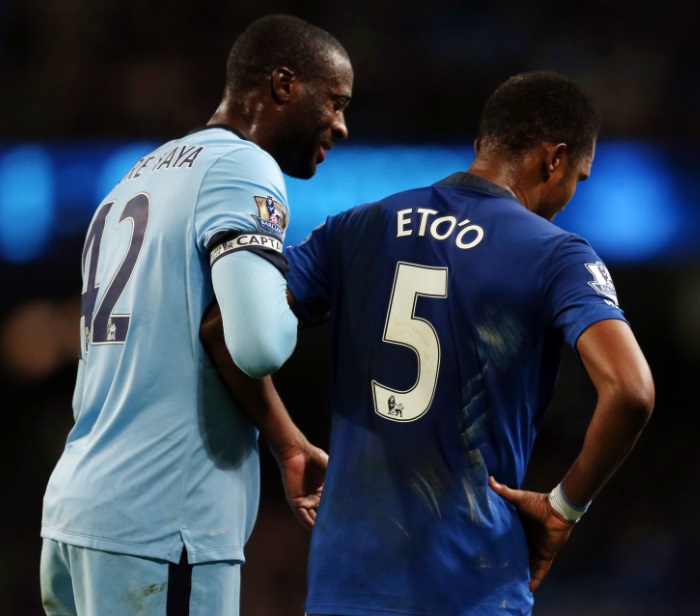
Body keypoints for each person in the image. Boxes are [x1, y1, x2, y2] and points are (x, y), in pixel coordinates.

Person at [200, 70, 655, 616]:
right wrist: (564, 507)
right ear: (554, 160)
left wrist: (288, 444)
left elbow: (221, 327)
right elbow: (631, 390)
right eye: (577, 178)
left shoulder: (356, 227)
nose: (567, 197)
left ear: (482, 146)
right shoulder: (556, 254)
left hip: (346, 587)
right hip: (471, 586)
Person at [40, 14, 352, 616]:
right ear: (284, 84)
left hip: (77, 511)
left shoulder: (135, 177)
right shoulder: (244, 166)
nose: (341, 125)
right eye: (335, 102)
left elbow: (208, 333)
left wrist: (287, 443)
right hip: (162, 523)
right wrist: (307, 290)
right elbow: (258, 342)